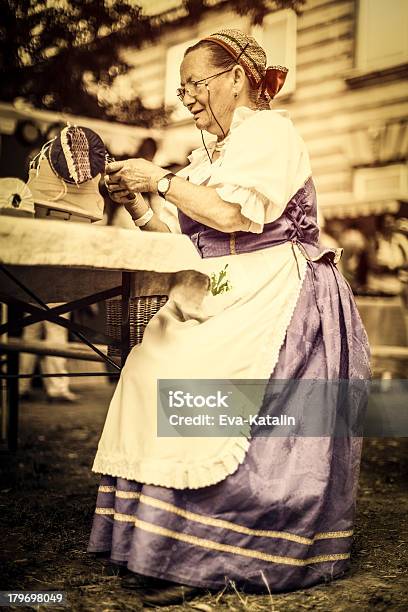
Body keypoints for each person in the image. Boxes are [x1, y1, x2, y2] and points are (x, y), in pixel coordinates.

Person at [88, 29, 371, 606]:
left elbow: (233, 217)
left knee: (198, 378)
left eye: (197, 83)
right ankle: (158, 543)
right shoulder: (207, 158)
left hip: (273, 286)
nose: (187, 97)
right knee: (151, 362)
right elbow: (187, 243)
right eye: (182, 87)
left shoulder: (271, 132)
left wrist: (161, 180)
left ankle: (207, 553)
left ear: (237, 78)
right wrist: (142, 204)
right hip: (215, 285)